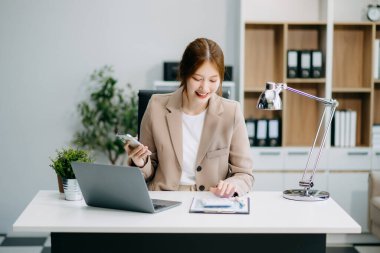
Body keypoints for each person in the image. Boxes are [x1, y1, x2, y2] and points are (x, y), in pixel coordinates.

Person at [124, 38, 253, 197]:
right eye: (197, 79)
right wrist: (141, 162)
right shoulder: (156, 107)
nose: (205, 87)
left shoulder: (231, 112)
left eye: (213, 80)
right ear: (184, 74)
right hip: (164, 197)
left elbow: (245, 174)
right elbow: (149, 171)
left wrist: (232, 184)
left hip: (210, 199)